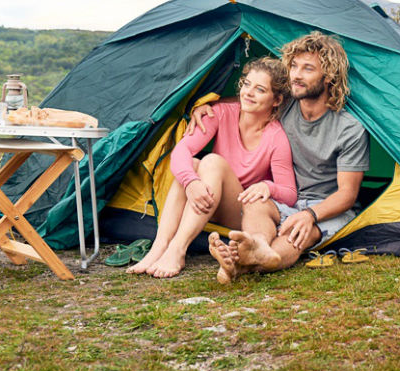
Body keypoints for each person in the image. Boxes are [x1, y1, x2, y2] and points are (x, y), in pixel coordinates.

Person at [188, 32, 370, 284]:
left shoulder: (349, 129)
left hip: (325, 206)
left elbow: (347, 195)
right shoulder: (285, 106)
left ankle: (262, 258)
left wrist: (310, 215)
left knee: (299, 232)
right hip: (287, 197)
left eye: (308, 69)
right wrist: (207, 106)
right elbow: (248, 101)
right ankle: (255, 247)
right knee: (255, 203)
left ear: (328, 76)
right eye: (294, 66)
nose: (295, 75)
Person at [126, 57, 297, 278]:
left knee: (211, 161)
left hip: (239, 212)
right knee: (193, 164)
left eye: (260, 89)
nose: (248, 93)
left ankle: (178, 249)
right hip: (206, 197)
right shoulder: (220, 113)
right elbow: (181, 151)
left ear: (276, 100)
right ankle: (159, 246)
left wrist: (267, 186)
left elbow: (290, 194)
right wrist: (191, 182)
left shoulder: (276, 137)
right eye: (246, 84)